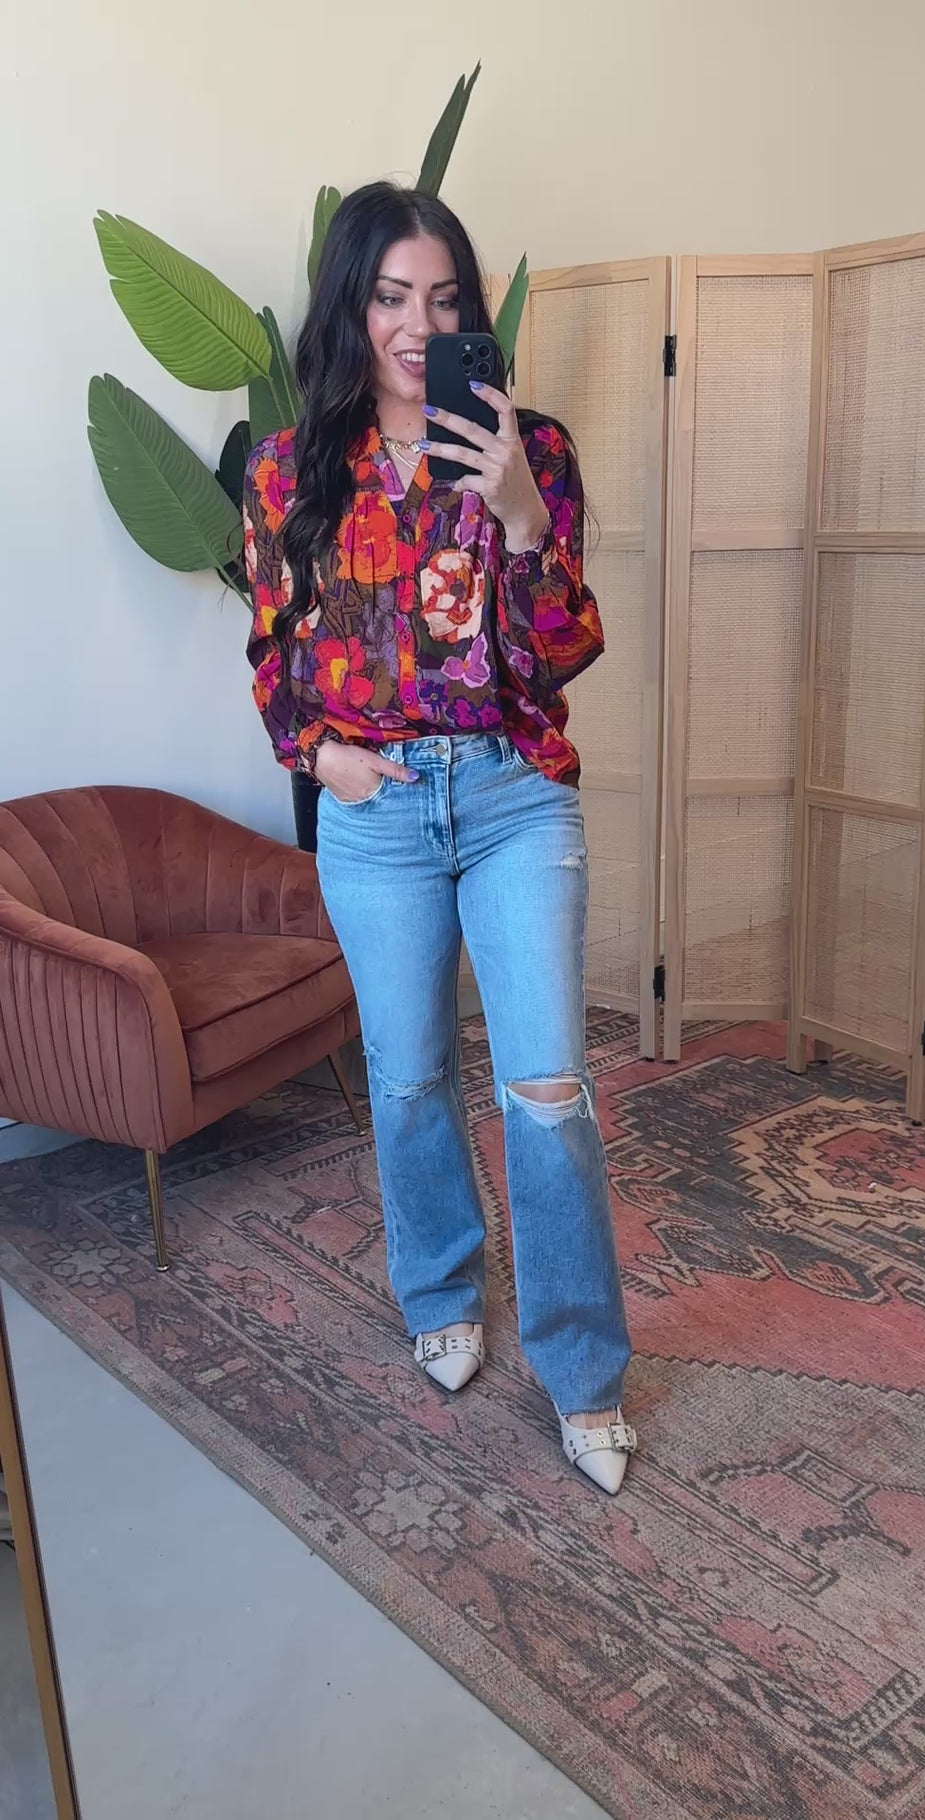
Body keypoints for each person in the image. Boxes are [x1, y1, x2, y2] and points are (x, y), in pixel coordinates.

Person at [242, 181, 636, 1495]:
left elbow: (562, 651)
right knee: (409, 1078)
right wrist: (324, 760)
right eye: (393, 297)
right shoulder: (291, 471)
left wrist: (520, 510)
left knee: (548, 1089)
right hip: (381, 812)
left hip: (515, 795)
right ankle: (442, 1296)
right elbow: (274, 655)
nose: (420, 325)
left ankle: (582, 1371)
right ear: (352, 310)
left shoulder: (533, 450)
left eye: (446, 298)